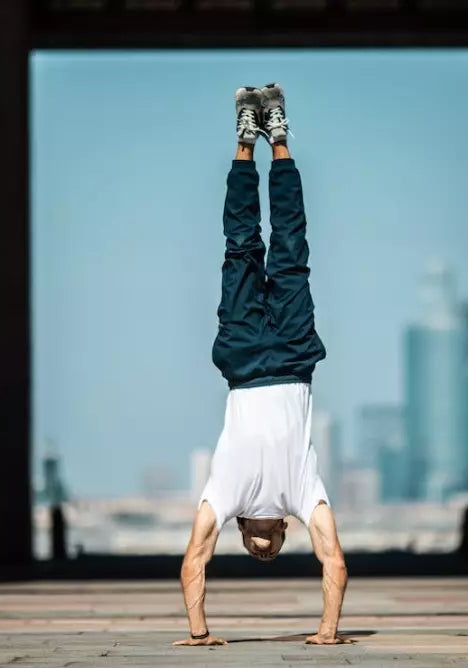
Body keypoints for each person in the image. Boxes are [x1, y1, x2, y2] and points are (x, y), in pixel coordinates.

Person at [173, 83, 350, 647]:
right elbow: (335, 562)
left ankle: (244, 143)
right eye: (270, 548)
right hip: (294, 357)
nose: (263, 547)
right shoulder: (304, 495)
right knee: (291, 248)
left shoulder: (225, 495)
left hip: (246, 358)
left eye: (255, 549)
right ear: (282, 533)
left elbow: (194, 559)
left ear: (245, 534)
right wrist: (326, 631)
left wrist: (200, 632)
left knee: (241, 247)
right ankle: (279, 139)